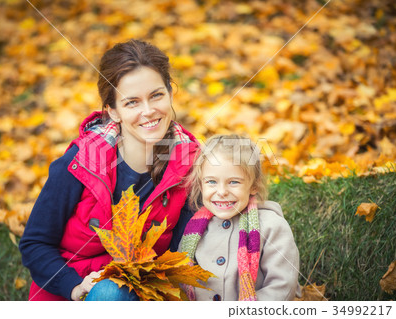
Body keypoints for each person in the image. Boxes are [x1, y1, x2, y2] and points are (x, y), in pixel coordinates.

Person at [19, 39, 199, 301]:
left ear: (171, 93)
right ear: (112, 111)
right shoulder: (79, 163)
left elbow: (183, 251)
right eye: (132, 102)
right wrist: (74, 286)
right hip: (75, 294)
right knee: (110, 292)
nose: (148, 111)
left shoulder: (191, 167)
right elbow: (34, 245)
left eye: (156, 95)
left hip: (145, 292)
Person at [179, 134, 300, 301]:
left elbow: (282, 285)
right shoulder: (194, 230)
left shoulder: (271, 226)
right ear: (200, 184)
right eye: (211, 182)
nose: (221, 192)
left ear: (254, 185)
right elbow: (180, 278)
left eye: (233, 182)